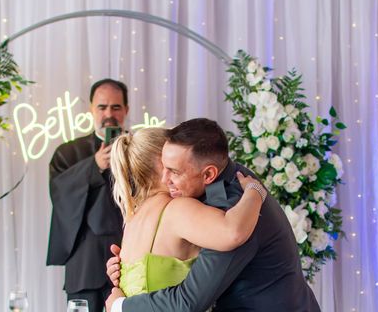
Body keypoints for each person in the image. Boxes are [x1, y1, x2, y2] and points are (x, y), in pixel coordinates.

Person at [106, 118, 321, 312]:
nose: (166, 178)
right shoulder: (201, 192)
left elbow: (188, 302)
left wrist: (120, 306)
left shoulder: (231, 206)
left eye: (173, 170)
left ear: (209, 173)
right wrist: (128, 269)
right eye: (165, 167)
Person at [108, 127, 266, 298]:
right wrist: (255, 190)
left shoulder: (133, 218)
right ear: (161, 159)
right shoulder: (177, 209)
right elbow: (233, 232)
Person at [46, 79, 128, 311]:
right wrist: (94, 166)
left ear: (126, 110)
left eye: (116, 107)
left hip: (129, 255)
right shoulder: (68, 153)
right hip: (84, 259)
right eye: (102, 107)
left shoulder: (140, 149)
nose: (108, 114)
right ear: (92, 109)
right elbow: (59, 195)